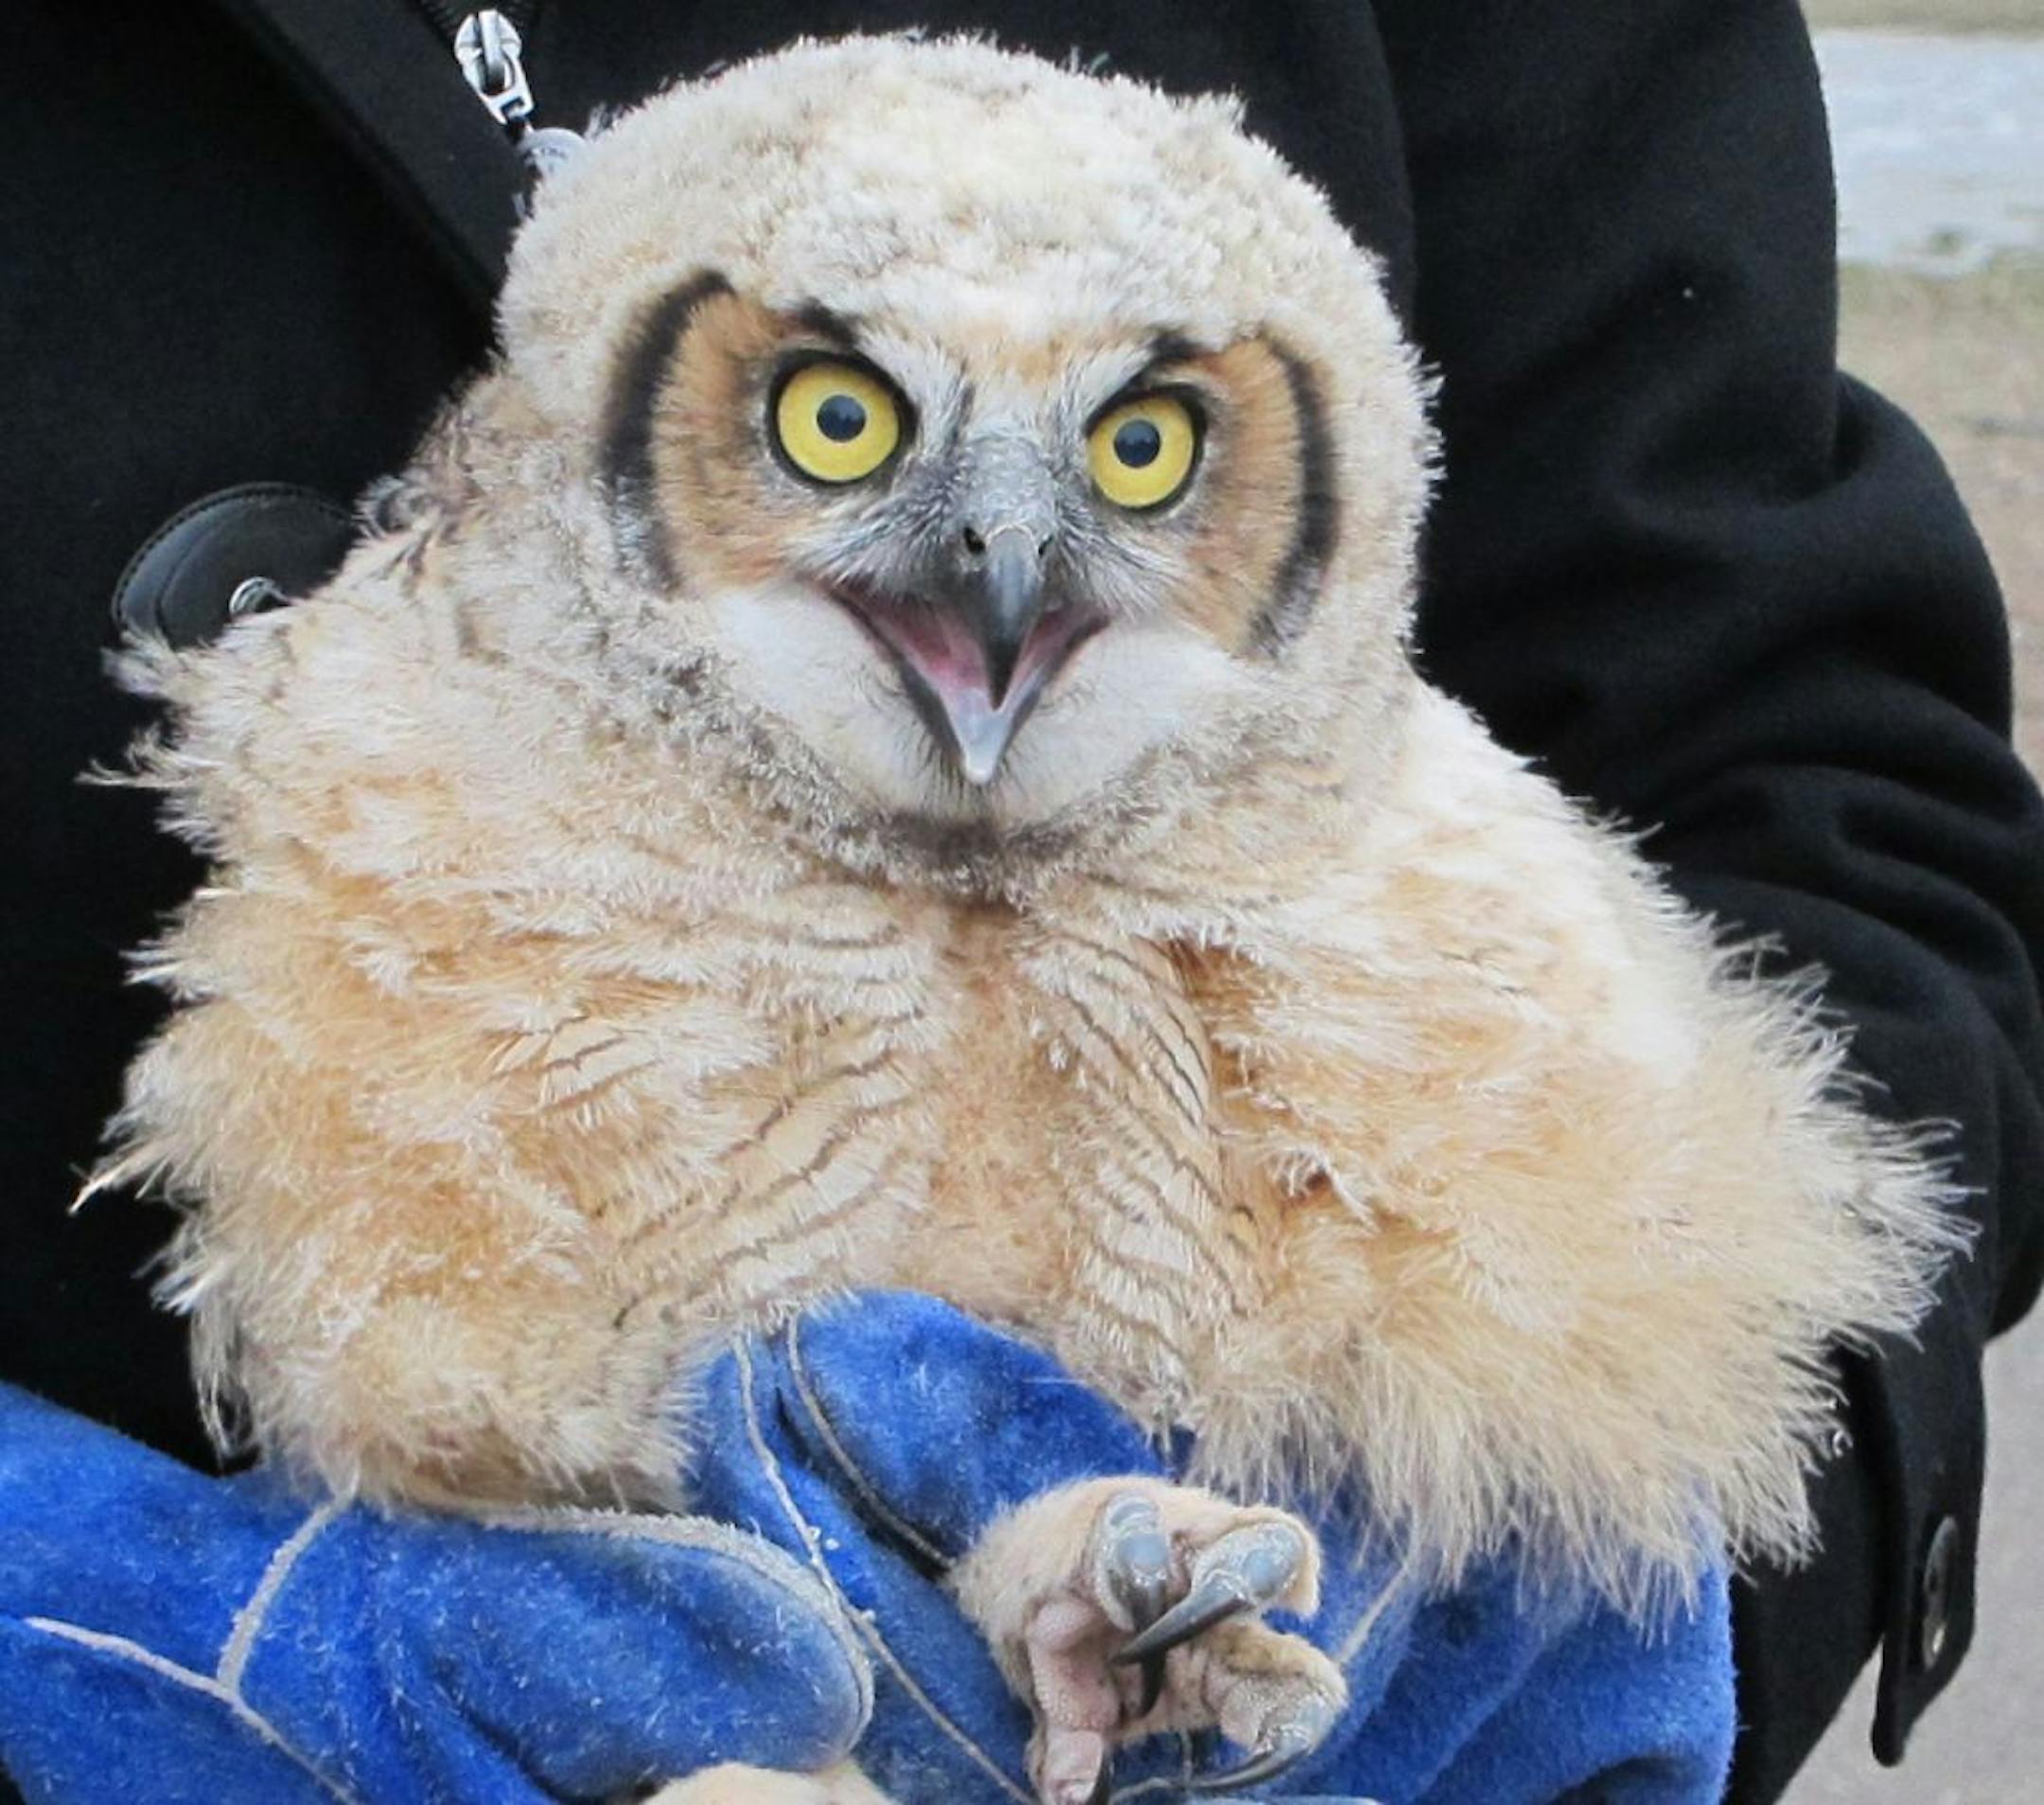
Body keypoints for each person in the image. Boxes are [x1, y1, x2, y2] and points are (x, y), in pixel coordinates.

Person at [3, 2, 2037, 1799]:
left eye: (1144, 451)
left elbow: (1812, 781)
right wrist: (183, 1644)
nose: (992, 557)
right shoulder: (395, 713)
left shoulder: (1382, 785)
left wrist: (1577, 1609)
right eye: (838, 422)